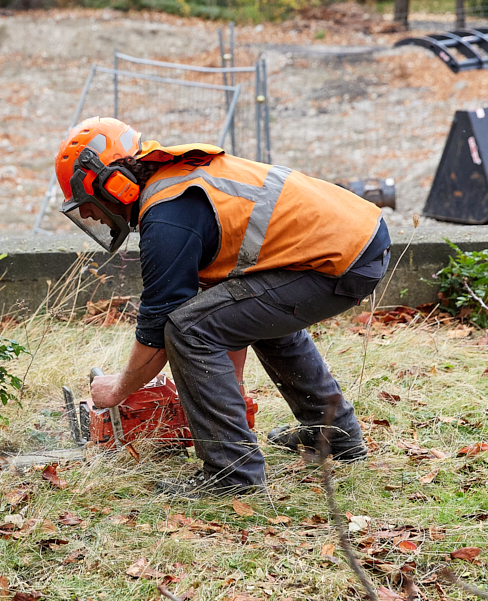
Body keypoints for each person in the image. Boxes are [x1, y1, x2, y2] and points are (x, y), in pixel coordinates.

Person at [55, 116, 391, 496]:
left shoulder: (168, 215)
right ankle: (331, 434)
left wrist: (118, 389)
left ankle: (234, 473)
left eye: (88, 204)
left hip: (341, 258)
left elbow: (158, 327)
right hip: (359, 241)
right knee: (238, 320)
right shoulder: (177, 181)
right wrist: (231, 394)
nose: (88, 215)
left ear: (110, 183)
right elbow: (227, 313)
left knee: (186, 329)